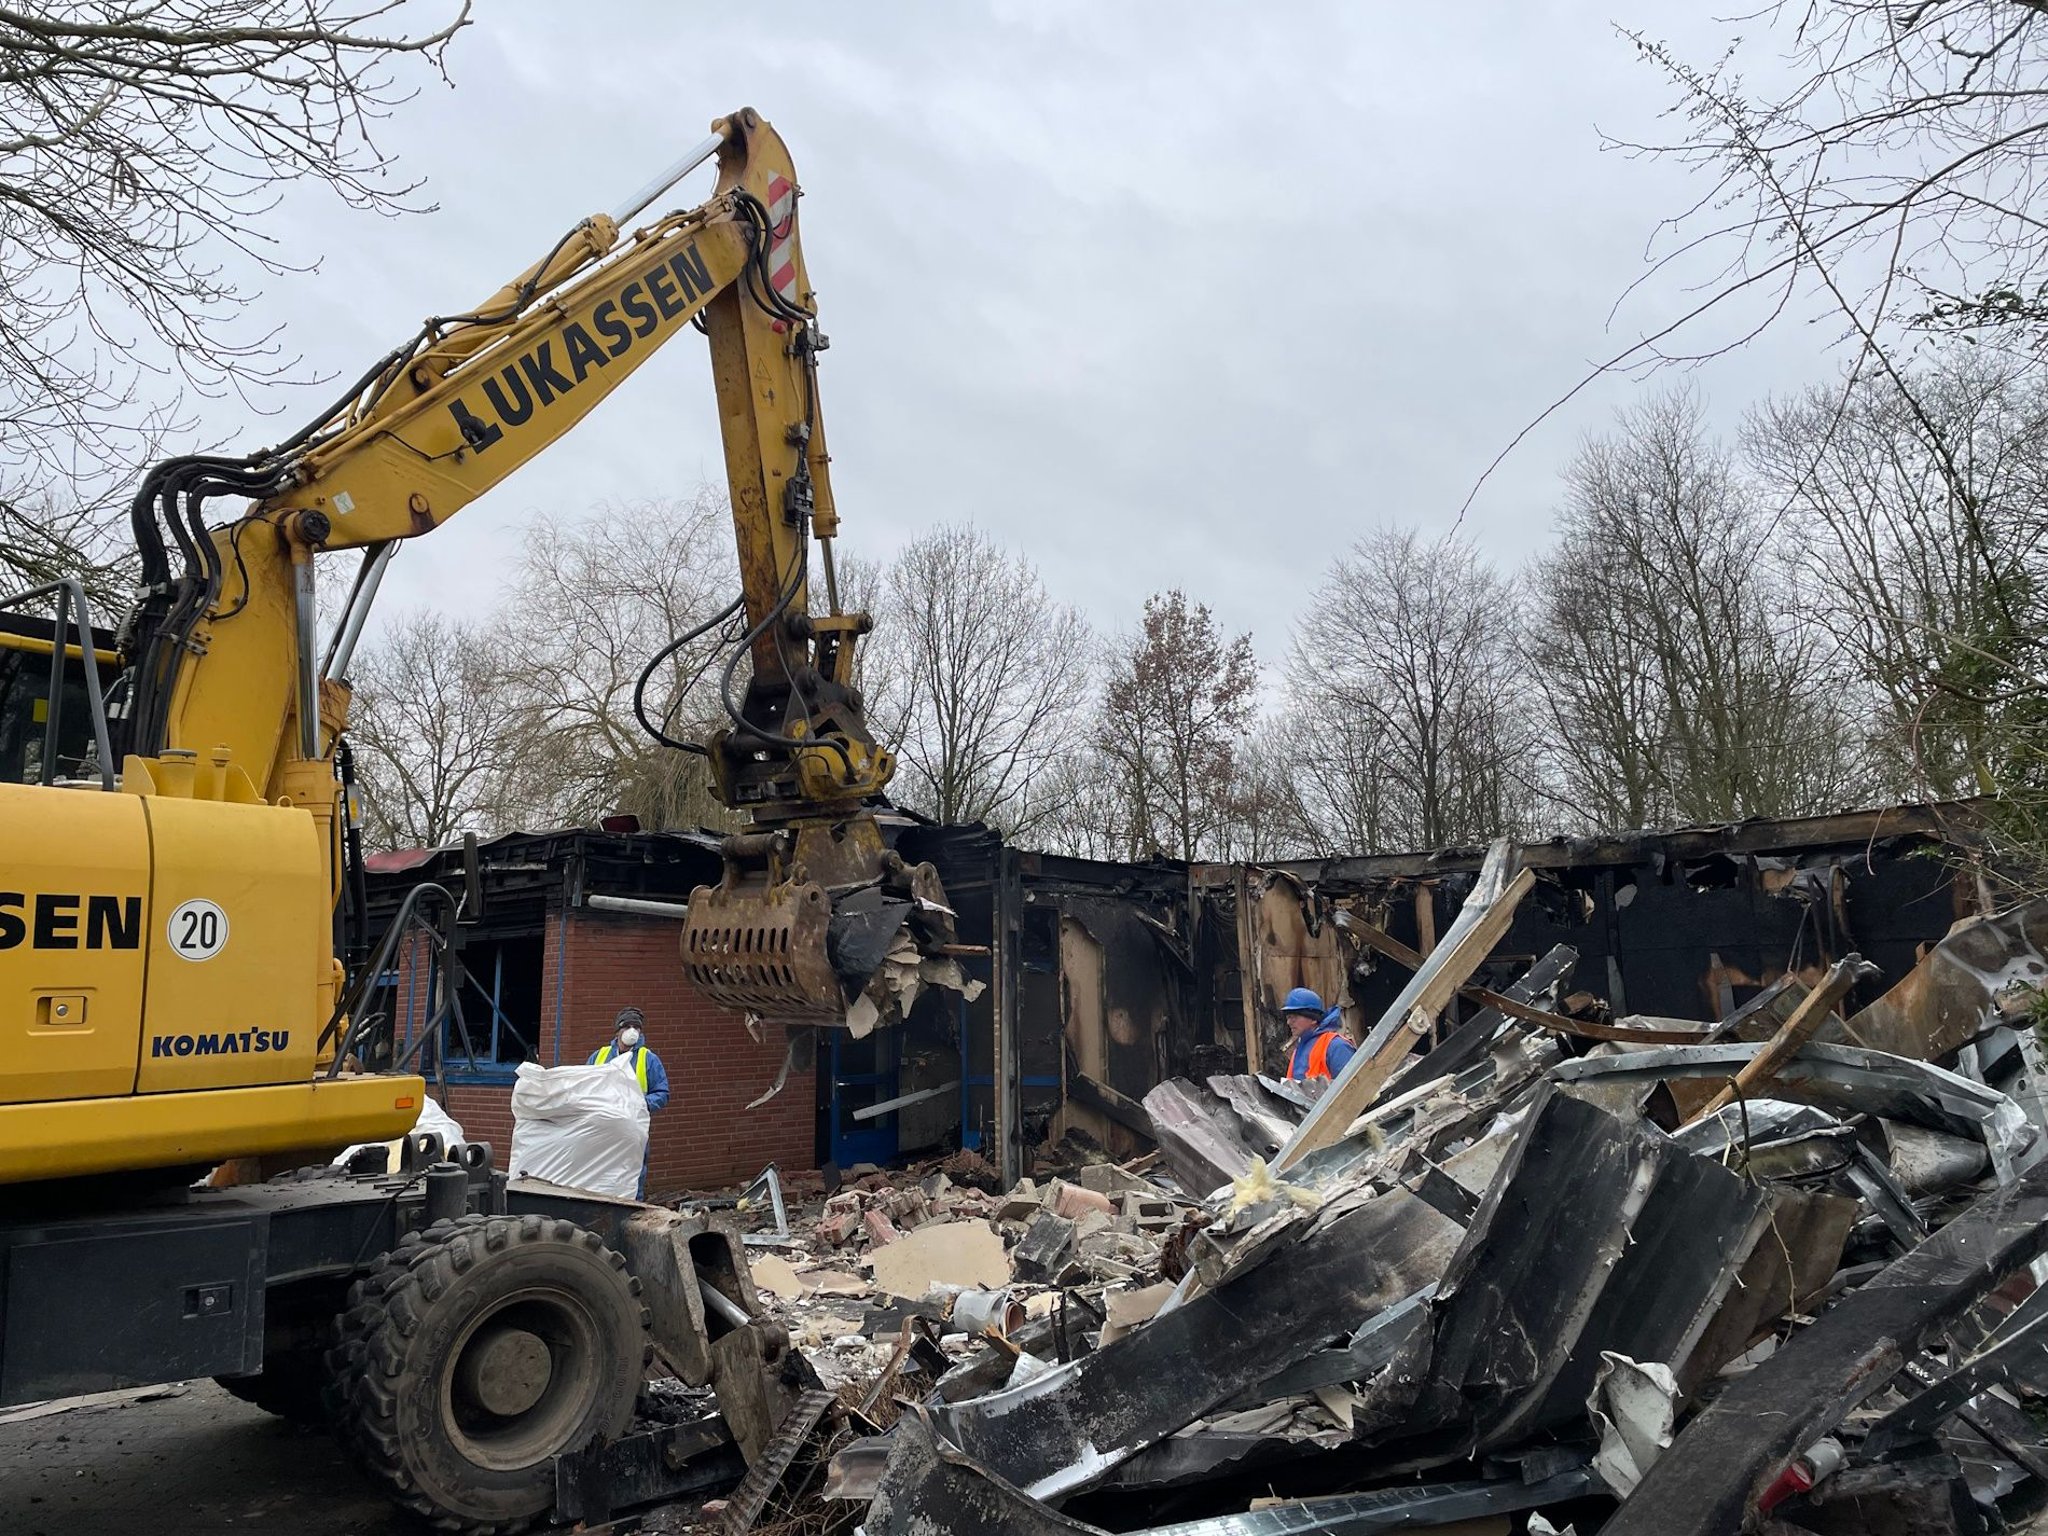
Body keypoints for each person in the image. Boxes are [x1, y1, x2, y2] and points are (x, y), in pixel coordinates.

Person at [588, 1007, 669, 1197]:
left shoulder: (648, 1059)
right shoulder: (599, 1056)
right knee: (599, 1173)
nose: (632, 1031)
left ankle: (631, 1210)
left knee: (632, 1175)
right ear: (617, 1031)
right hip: (602, 1127)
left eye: (637, 1027)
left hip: (632, 1129)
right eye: (627, 1026)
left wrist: (639, 1104)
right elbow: (585, 1087)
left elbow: (662, 1093)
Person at [1280, 987, 1355, 1082]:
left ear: (1313, 1019)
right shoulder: (1298, 1050)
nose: (1289, 1022)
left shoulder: (1336, 1046)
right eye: (1288, 1017)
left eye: (1294, 1017)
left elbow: (1352, 1089)